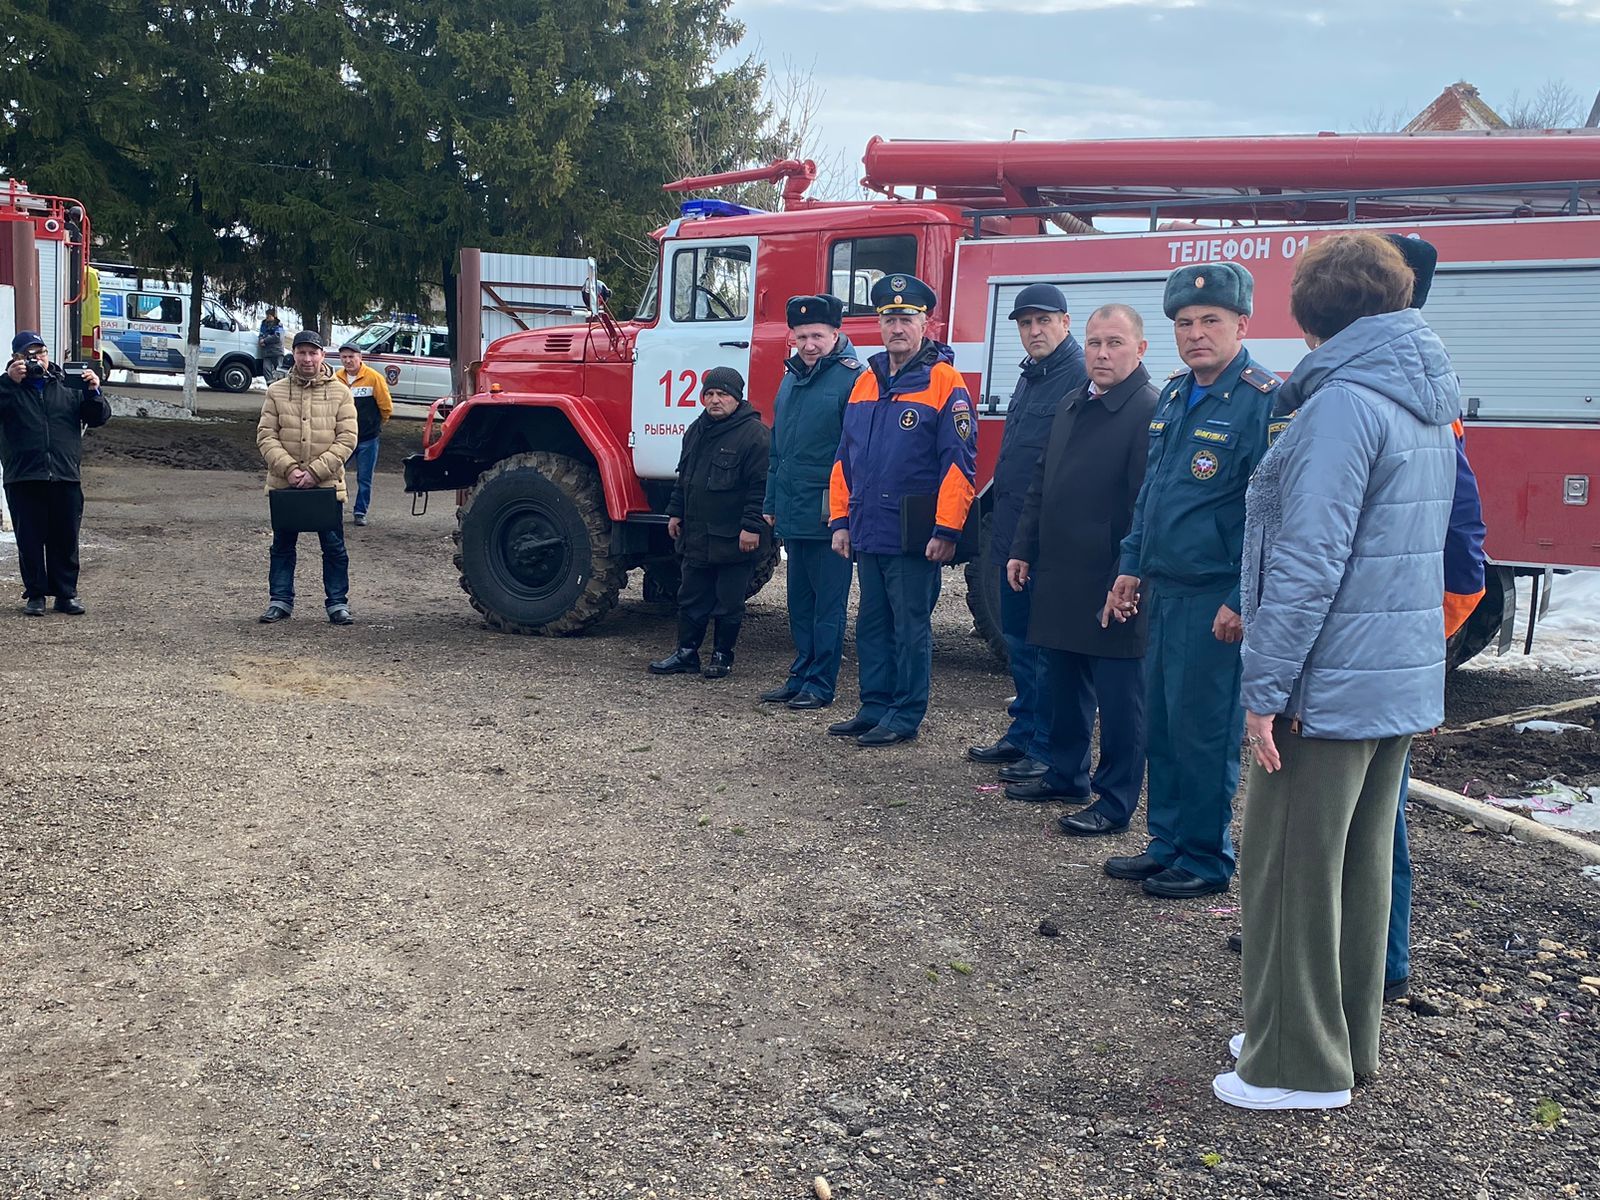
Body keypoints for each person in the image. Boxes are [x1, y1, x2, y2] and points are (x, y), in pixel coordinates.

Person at [1213, 232, 1459, 1112]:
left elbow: (1307, 562)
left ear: (1308, 310)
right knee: (1354, 872)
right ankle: (1336, 1037)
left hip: (1327, 682)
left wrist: (1265, 696)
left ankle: (1295, 1065)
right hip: (1387, 677)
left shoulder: (1342, 404)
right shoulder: (1420, 398)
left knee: (1289, 874)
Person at [1101, 263, 1278, 899]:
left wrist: (1242, 596)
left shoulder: (1263, 402)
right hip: (1165, 587)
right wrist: (1129, 565)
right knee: (1166, 727)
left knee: (1205, 731)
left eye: (1211, 321)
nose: (1196, 333)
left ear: (1242, 325)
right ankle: (1167, 842)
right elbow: (1154, 494)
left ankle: (1206, 857)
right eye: (1184, 323)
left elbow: (1271, 515)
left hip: (1214, 597)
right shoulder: (1176, 397)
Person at [1006, 305, 1158, 832]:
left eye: (1115, 343)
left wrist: (1128, 575)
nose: (1101, 353)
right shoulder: (1073, 403)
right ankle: (1065, 772)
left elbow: (1146, 506)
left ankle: (1115, 801)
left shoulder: (1148, 411)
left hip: (1113, 578)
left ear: (1140, 350)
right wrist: (1023, 547)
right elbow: (1040, 483)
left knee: (1120, 701)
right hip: (1061, 573)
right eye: (1094, 343)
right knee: (1062, 684)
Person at [827, 274, 977, 747]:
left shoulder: (944, 382)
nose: (897, 327)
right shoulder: (866, 380)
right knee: (871, 622)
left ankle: (906, 712)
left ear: (924, 323)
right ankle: (874, 705)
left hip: (913, 533)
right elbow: (844, 458)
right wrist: (840, 520)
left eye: (906, 319)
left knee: (910, 626)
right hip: (868, 527)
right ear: (879, 323)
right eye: (889, 318)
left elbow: (959, 465)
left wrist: (947, 528)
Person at [967, 283, 1086, 783]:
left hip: (1043, 540)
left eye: (1043, 321)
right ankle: (1023, 734)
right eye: (1024, 323)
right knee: (1019, 640)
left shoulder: (1077, 377)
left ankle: (1044, 746)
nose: (1034, 331)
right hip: (1012, 532)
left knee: (1043, 648)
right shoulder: (1034, 376)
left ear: (1065, 322)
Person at [759, 294, 864, 709]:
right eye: (802, 336)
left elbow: (857, 452)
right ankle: (801, 673)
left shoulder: (852, 378)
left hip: (828, 512)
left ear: (836, 333)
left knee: (828, 604)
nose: (809, 344)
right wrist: (771, 501)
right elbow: (778, 448)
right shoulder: (791, 377)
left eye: (817, 335)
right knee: (799, 602)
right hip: (793, 508)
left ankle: (821, 683)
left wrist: (845, 513)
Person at [649, 367, 770, 680]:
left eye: (723, 394)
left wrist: (752, 527)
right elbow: (684, 478)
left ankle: (721, 657)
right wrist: (675, 512)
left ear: (736, 397)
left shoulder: (755, 435)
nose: (715, 400)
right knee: (690, 597)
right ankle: (686, 654)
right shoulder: (696, 430)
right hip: (697, 534)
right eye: (710, 394)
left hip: (734, 537)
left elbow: (761, 488)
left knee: (729, 602)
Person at [0, 332, 110, 615]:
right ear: (16, 358)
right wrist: (9, 383)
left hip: (64, 474)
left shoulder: (68, 387)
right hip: (24, 476)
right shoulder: (7, 389)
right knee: (30, 539)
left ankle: (66, 594)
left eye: (42, 352)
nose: (37, 359)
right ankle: (35, 595)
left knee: (65, 538)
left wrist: (94, 391)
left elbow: (98, 417)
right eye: (29, 354)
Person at [256, 331, 358, 625]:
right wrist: (289, 469)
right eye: (302, 352)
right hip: (285, 483)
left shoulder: (340, 392)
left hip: (326, 485)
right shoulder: (276, 391)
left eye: (313, 353)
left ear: (322, 356)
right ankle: (280, 600)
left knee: (334, 547)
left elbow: (348, 438)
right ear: (294, 355)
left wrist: (315, 471)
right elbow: (265, 436)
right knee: (283, 546)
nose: (307, 359)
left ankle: (338, 603)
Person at [335, 342, 394, 526]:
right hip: (343, 438)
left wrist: (374, 426)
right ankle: (333, 508)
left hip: (368, 438)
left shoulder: (374, 378)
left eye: (351, 357)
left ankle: (360, 511)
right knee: (334, 473)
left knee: (364, 478)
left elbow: (386, 407)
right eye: (344, 357)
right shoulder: (336, 379)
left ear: (360, 358)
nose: (348, 361)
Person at [258, 309, 286, 383]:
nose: (267, 317)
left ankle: (281, 384)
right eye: (267, 315)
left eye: (269, 315)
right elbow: (261, 334)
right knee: (266, 369)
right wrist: (261, 340)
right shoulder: (264, 324)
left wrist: (265, 340)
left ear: (274, 316)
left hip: (277, 351)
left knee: (280, 370)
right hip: (266, 352)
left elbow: (278, 337)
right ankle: (270, 384)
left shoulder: (279, 325)